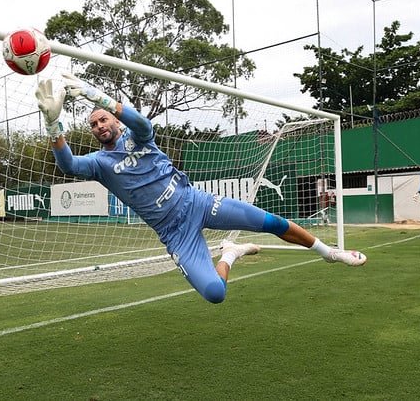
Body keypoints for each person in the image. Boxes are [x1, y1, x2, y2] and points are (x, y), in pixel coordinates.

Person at [35, 74, 366, 304]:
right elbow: (68, 166)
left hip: (196, 202)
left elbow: (143, 123)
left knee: (273, 223)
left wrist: (97, 96)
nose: (99, 126)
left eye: (103, 119)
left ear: (114, 120)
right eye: (93, 124)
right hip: (174, 232)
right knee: (214, 293)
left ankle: (330, 253)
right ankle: (230, 254)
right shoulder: (99, 163)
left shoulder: (138, 135)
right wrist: (53, 124)